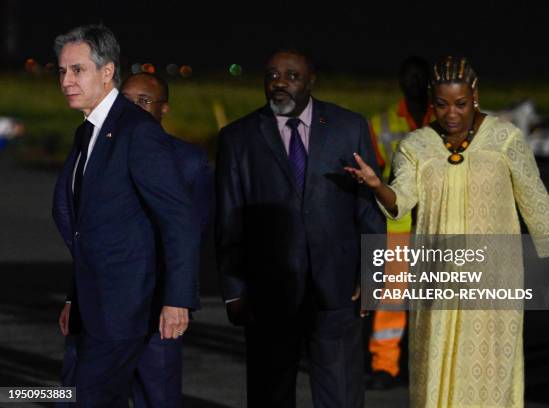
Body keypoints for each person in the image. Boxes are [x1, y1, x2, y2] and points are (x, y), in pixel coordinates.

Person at [345, 56, 549, 407]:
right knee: (436, 379)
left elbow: (539, 208)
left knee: (489, 379)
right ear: (432, 101)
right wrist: (377, 184)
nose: (451, 114)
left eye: (460, 104)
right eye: (441, 105)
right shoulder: (416, 146)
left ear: (475, 95)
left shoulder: (505, 140)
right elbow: (402, 201)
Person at [215, 48, 386, 407]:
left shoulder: (348, 127)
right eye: (272, 75)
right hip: (268, 294)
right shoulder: (238, 137)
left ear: (310, 82)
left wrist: (373, 274)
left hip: (338, 290)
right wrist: (233, 290)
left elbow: (367, 207)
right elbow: (229, 218)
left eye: (291, 76)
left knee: (340, 394)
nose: (280, 83)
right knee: (270, 393)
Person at [51, 24, 200, 406]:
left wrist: (177, 299)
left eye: (77, 70)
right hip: (94, 304)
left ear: (106, 72)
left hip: (126, 307)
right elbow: (90, 226)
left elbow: (179, 219)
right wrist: (74, 296)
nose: (66, 80)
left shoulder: (137, 132)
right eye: (62, 71)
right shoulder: (88, 132)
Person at [366, 56, 432, 390]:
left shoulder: (450, 116)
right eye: (410, 78)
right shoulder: (382, 123)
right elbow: (374, 176)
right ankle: (385, 365)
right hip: (399, 226)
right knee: (391, 298)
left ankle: (433, 368)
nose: (415, 83)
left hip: (439, 226)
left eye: (421, 77)